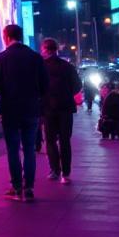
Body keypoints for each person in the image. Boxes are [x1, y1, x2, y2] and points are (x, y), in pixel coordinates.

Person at [0, 24, 46, 202]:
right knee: (29, 149)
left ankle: (16, 188)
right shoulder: (36, 57)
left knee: (13, 149)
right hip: (31, 109)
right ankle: (29, 188)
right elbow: (44, 85)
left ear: (7, 37)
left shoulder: (1, 58)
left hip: (9, 109)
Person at [40, 38, 81, 184]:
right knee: (65, 141)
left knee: (50, 140)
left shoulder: (41, 67)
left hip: (48, 108)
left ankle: (55, 170)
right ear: (56, 49)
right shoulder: (67, 66)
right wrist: (66, 94)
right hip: (65, 108)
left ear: (45, 49)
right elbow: (77, 85)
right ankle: (66, 173)